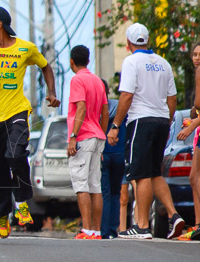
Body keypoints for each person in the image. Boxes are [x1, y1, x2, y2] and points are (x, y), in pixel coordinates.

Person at [0, 5, 60, 239]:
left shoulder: (25, 49)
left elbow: (45, 66)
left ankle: (22, 200)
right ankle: (1, 215)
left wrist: (52, 92)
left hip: (17, 111)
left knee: (15, 155)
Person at [107, 23, 186, 239]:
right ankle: (173, 214)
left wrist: (115, 126)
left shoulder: (132, 62)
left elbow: (126, 96)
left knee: (141, 174)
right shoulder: (164, 63)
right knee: (154, 173)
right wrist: (167, 121)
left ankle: (142, 226)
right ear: (148, 40)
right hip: (162, 120)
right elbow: (172, 98)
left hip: (141, 121)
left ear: (128, 44)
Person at [66, 45, 108, 240]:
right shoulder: (98, 81)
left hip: (83, 136)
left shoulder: (77, 80)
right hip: (98, 135)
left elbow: (80, 108)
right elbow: (105, 112)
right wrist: (102, 132)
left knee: (81, 184)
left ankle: (87, 229)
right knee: (95, 185)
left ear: (72, 62)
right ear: (88, 61)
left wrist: (73, 136)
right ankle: (97, 231)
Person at [174, 42, 200, 231]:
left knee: (198, 176)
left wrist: (190, 126)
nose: (197, 58)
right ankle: (199, 224)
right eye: (194, 54)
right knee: (194, 177)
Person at [100, 79, 126, 239]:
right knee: (116, 192)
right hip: (120, 153)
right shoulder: (120, 108)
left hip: (103, 153)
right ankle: (112, 230)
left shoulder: (95, 109)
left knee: (105, 192)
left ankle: (104, 231)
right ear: (108, 91)